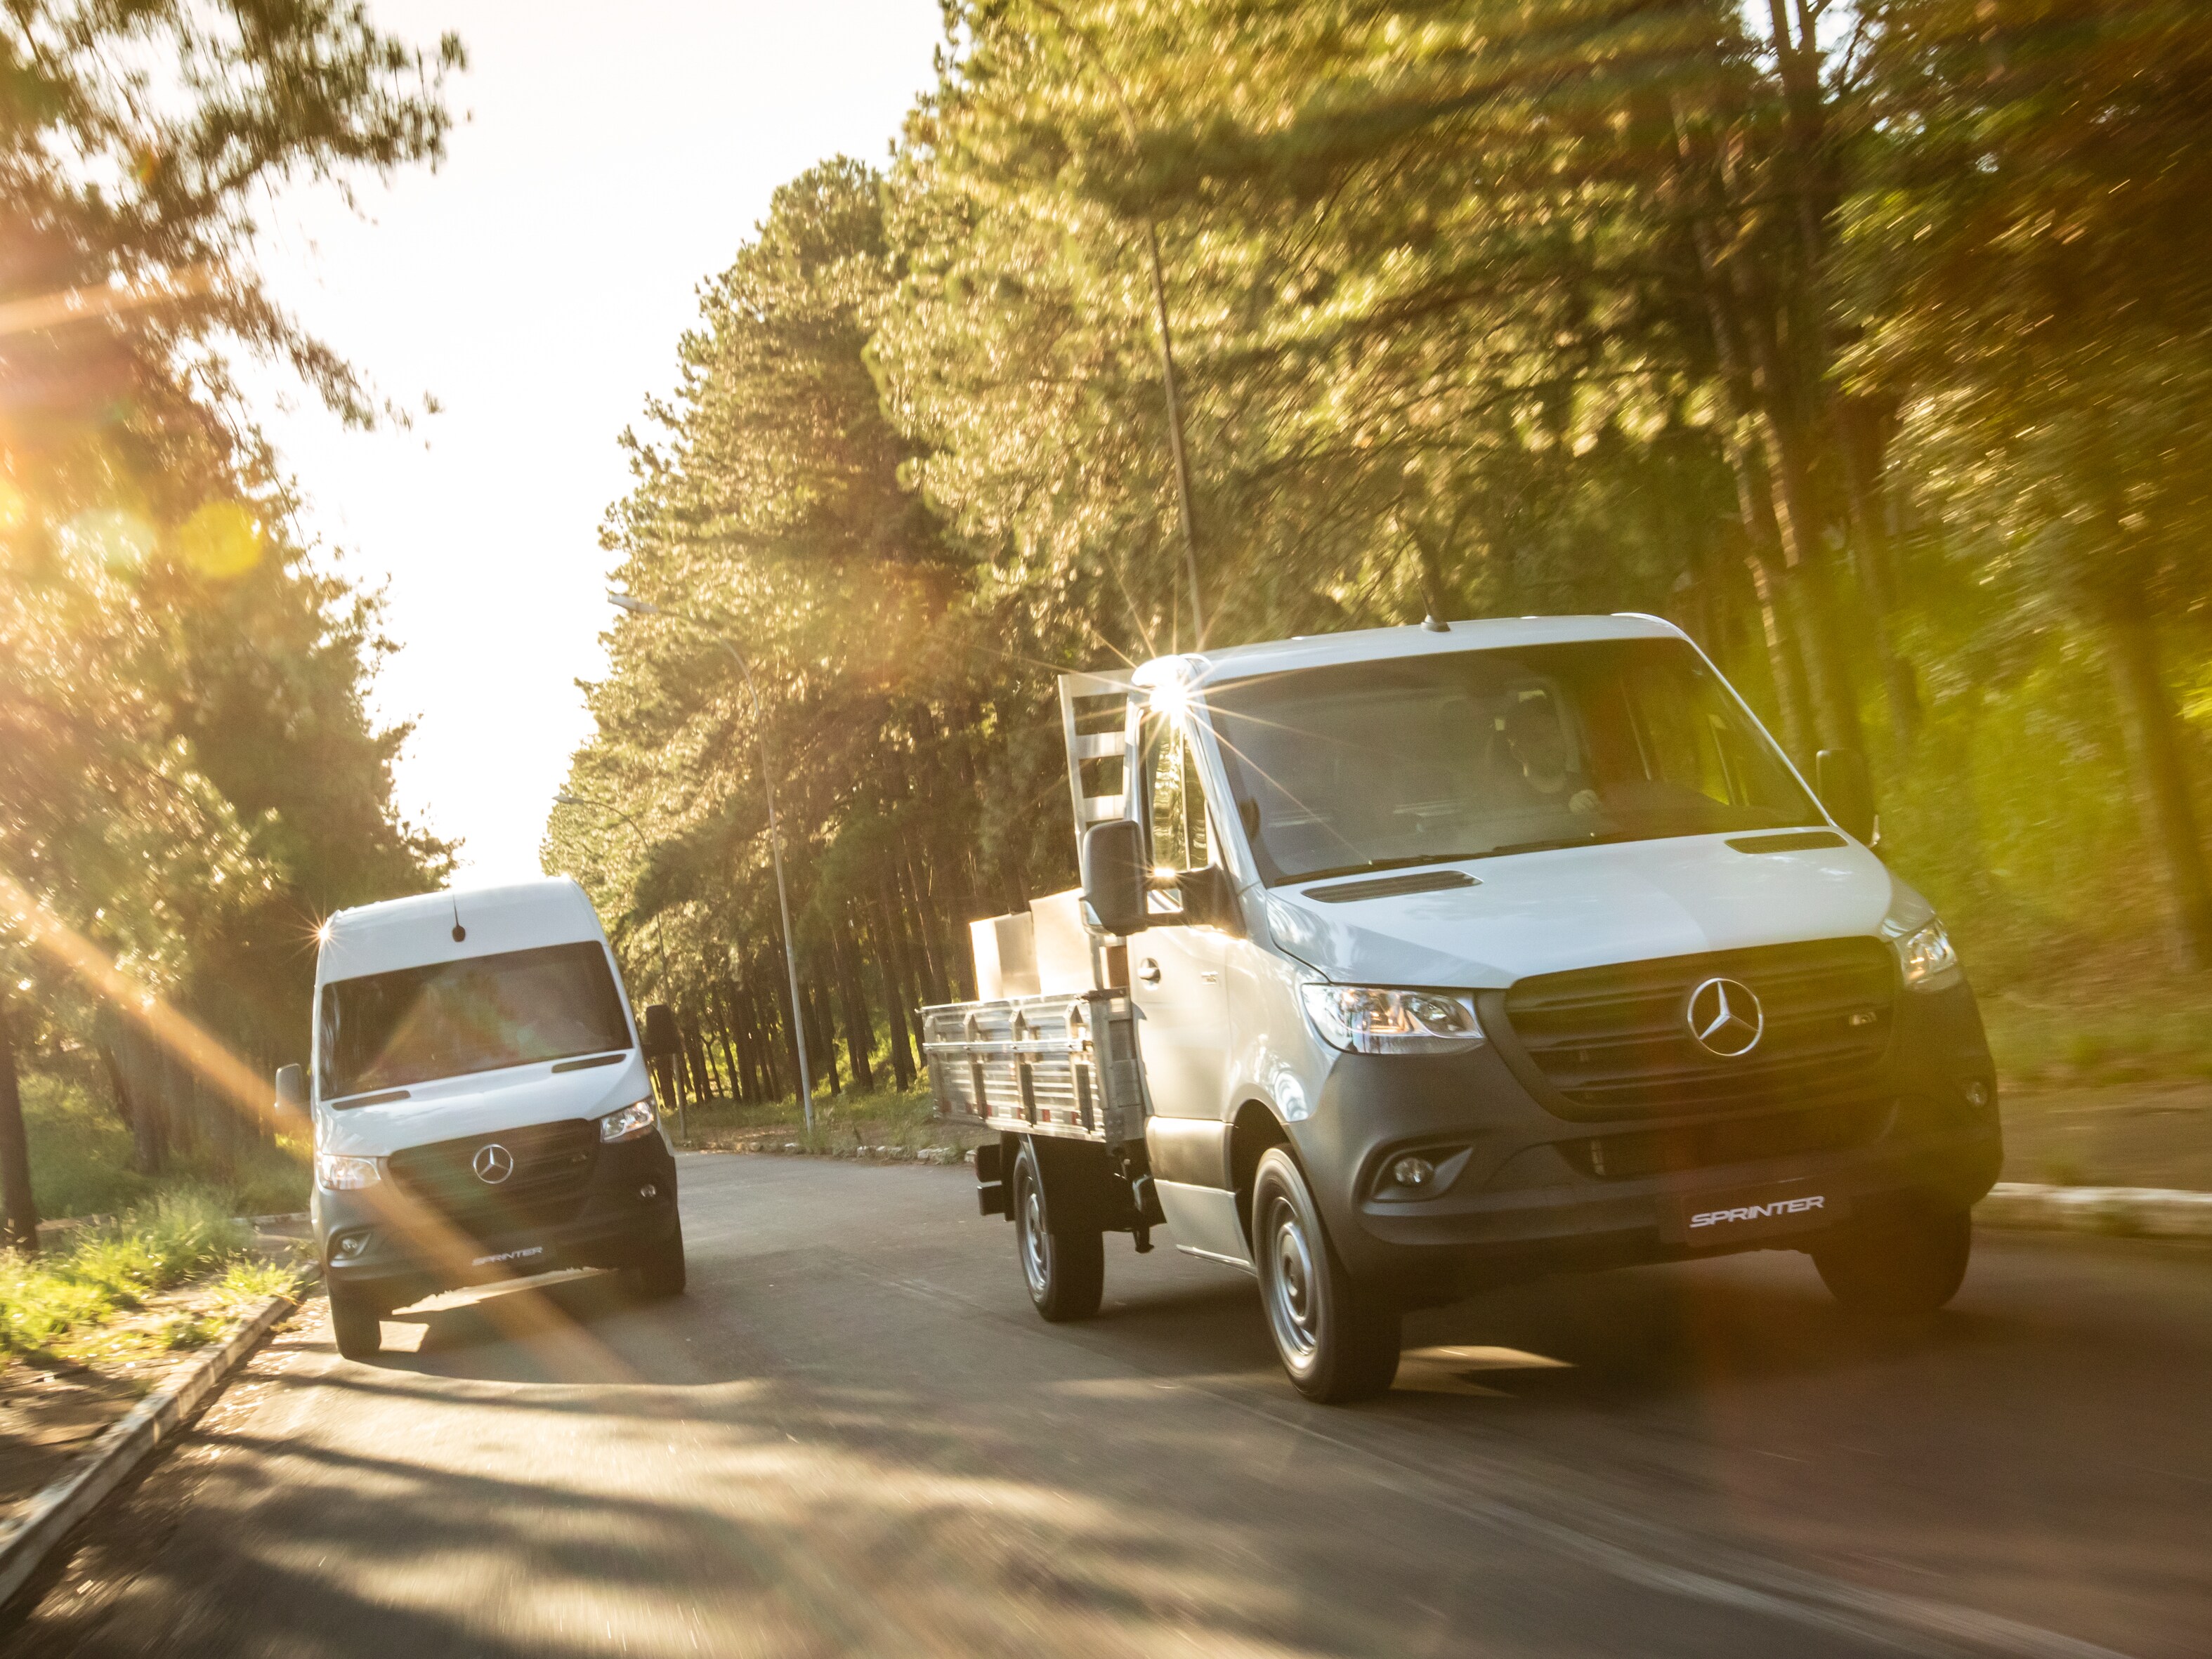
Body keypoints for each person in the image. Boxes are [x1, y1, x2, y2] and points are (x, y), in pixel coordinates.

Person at [1500, 696, 1601, 816]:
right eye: (1536, 738)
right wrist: (1570, 814)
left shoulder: (1591, 784)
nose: (1549, 743)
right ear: (1517, 752)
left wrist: (1599, 812)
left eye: (1553, 732)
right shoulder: (1507, 803)